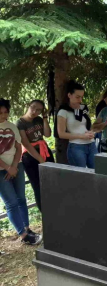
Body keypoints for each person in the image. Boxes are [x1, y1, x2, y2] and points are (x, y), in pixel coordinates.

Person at [0, 99, 42, 245]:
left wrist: (15, 166)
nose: (3, 115)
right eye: (0, 113)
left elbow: (18, 148)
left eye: (6, 112)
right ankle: (23, 235)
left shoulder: (12, 126)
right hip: (2, 170)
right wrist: (8, 168)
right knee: (11, 202)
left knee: (21, 199)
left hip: (17, 166)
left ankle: (27, 228)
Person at [17, 100, 54, 212]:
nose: (34, 111)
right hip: (30, 156)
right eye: (33, 107)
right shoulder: (20, 123)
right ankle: (45, 213)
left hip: (44, 151)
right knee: (38, 187)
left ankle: (54, 209)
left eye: (38, 110)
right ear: (28, 105)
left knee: (52, 181)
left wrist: (44, 118)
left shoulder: (38, 119)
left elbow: (47, 134)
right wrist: (40, 160)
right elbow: (26, 144)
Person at [57, 80, 96, 168]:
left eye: (81, 97)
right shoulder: (63, 111)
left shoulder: (83, 108)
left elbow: (87, 125)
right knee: (81, 176)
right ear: (69, 95)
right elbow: (61, 134)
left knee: (97, 173)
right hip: (76, 146)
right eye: (77, 97)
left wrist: (92, 132)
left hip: (91, 144)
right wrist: (82, 136)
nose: (80, 100)